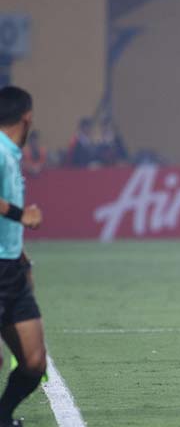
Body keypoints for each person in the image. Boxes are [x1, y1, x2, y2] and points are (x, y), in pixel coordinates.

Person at [0, 85, 48, 427]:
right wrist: (22, 215)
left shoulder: (12, 155)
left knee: (33, 362)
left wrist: (20, 253)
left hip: (11, 267)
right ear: (27, 116)